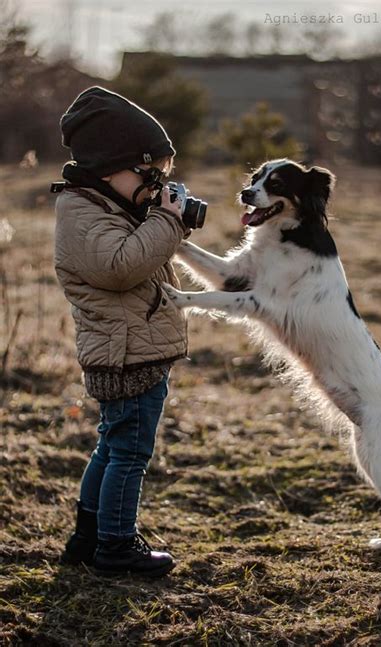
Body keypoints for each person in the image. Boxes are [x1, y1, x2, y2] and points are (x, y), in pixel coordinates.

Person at [53, 86, 188, 578]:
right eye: (149, 175)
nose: (155, 189)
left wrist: (158, 218)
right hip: (126, 354)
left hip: (133, 348)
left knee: (112, 446)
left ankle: (87, 539)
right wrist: (167, 223)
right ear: (110, 168)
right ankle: (116, 547)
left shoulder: (105, 206)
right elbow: (119, 267)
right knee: (129, 454)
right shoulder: (83, 213)